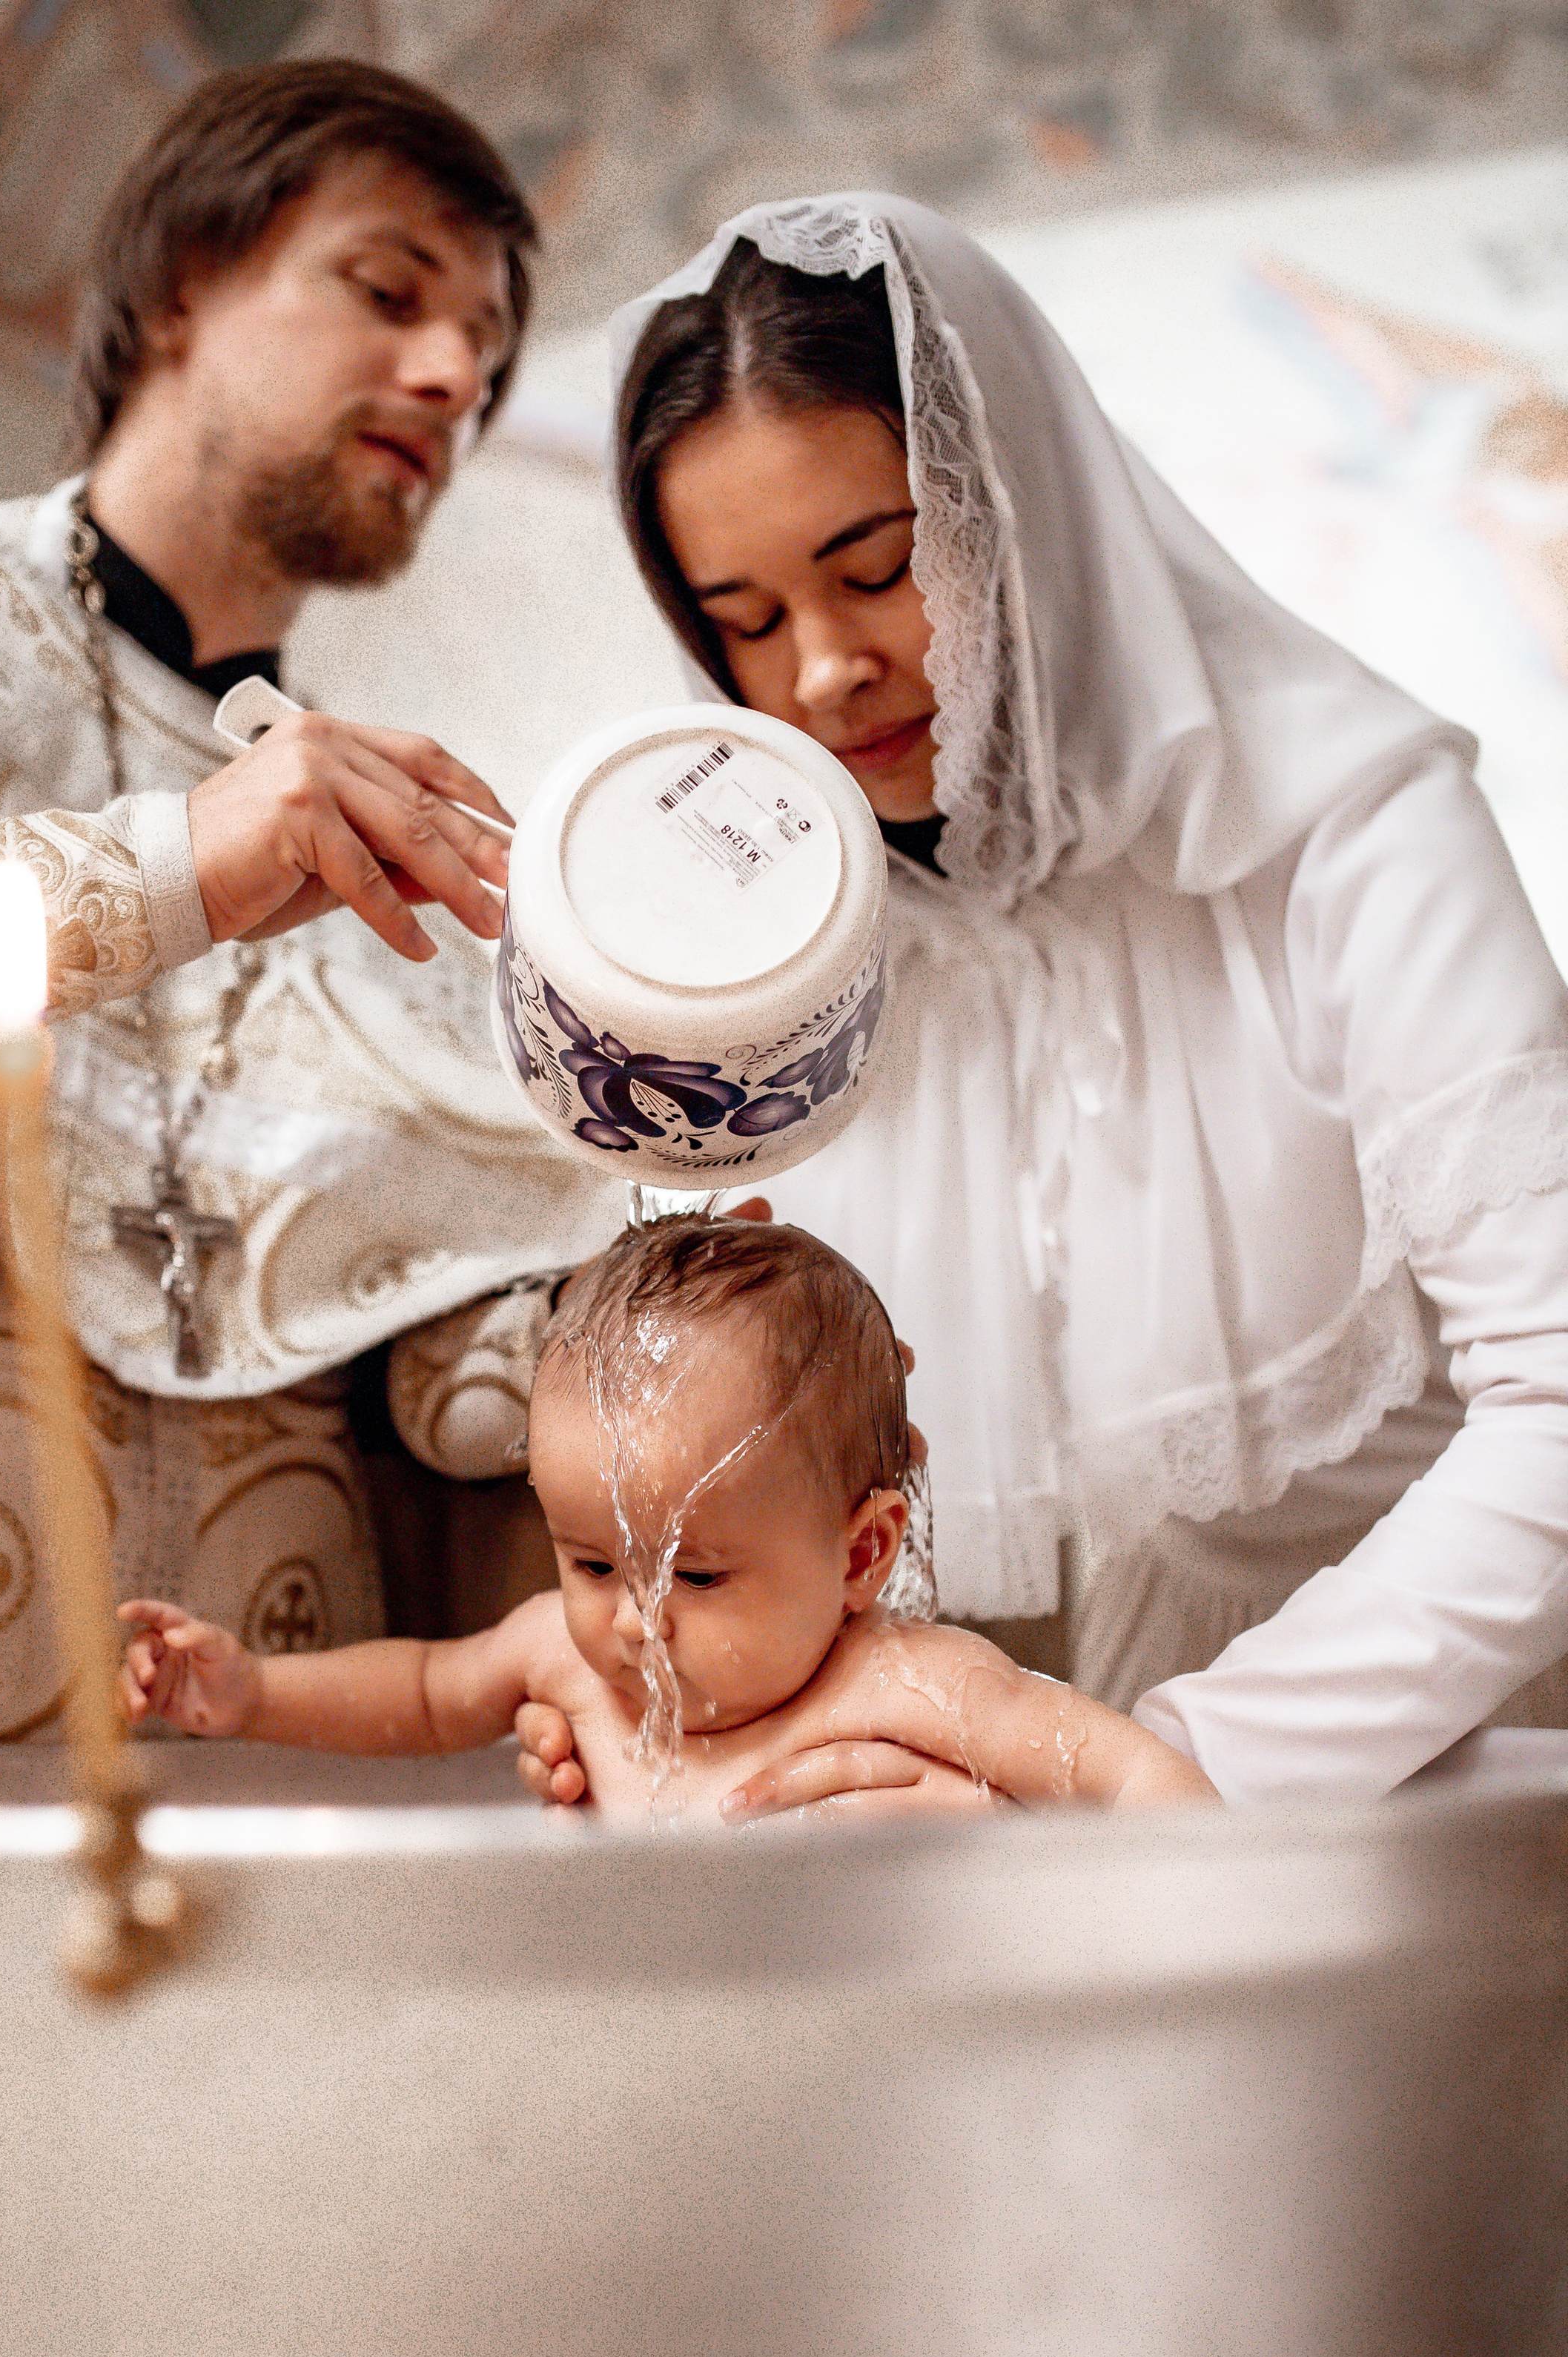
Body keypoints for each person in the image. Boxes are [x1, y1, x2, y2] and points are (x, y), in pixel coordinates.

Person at [0, 60, 621, 1759]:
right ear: (182, 281)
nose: (450, 372)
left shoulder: (395, 832)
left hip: (259, 1751)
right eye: (388, 291)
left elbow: (403, 1334)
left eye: (481, 345)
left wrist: (616, 1340)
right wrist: (164, 868)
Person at [564, 196, 1568, 1808]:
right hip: (1099, 1723)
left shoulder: (1357, 833)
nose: (822, 675)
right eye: (744, 626)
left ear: (1013, 510)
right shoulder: (831, 939)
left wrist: (1156, 1764)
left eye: (876, 569)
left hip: (1462, 1704)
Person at [118, 1216, 1215, 1818]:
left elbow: (1120, 1769)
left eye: (696, 1576)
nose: (636, 1622)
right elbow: (422, 1694)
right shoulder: (569, 1666)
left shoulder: (905, 1685)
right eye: (595, 1564)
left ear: (862, 1552)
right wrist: (253, 1691)